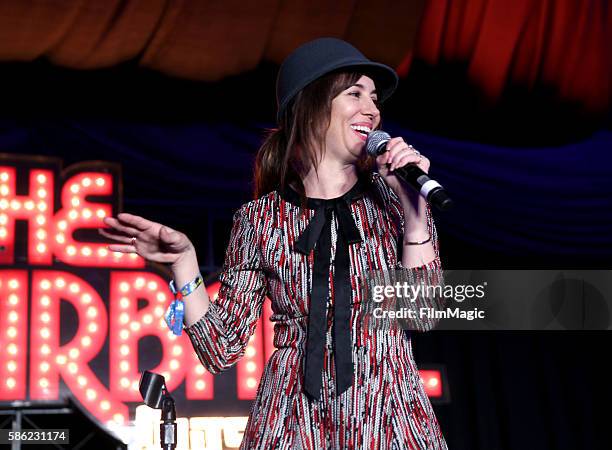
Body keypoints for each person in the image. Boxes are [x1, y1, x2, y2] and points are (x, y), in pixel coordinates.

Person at [100, 38, 448, 449]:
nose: (372, 110)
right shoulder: (261, 219)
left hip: (387, 412)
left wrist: (414, 212)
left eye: (374, 98)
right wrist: (185, 264)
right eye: (354, 94)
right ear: (311, 105)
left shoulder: (395, 200)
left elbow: (422, 316)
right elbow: (220, 349)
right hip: (292, 419)